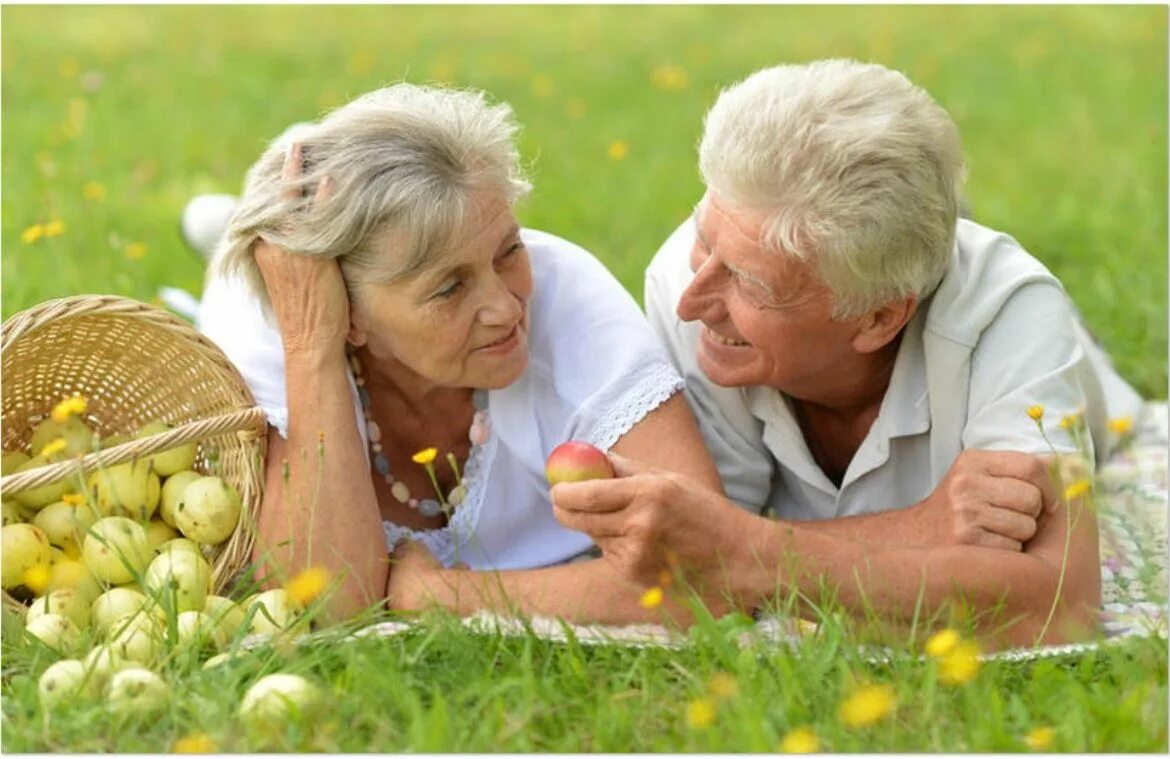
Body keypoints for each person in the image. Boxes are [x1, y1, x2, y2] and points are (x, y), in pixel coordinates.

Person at [550, 59, 1145, 648]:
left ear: (880, 317)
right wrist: (922, 528)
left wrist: (746, 552)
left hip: (1069, 376)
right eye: (704, 239)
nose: (692, 301)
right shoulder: (687, 285)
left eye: (753, 284)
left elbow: (1059, 606)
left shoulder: (1012, 313)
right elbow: (689, 569)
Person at [192, 83, 723, 622]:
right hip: (272, 310)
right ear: (350, 315)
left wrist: (433, 595)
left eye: (509, 250)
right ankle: (227, 229)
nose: (505, 308)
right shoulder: (282, 330)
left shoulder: (566, 290)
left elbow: (709, 573)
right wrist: (313, 349)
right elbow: (321, 603)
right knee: (238, 273)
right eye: (450, 287)